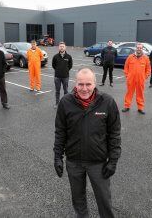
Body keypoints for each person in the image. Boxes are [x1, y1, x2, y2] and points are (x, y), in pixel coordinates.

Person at [54, 68, 121, 218]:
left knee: (104, 200)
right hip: (74, 162)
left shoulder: (107, 102)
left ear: (95, 84)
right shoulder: (65, 102)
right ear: (75, 83)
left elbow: (115, 133)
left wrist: (113, 160)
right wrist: (57, 157)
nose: (84, 88)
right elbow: (60, 132)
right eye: (81, 84)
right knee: (78, 200)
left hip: (98, 163)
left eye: (88, 84)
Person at [122, 43, 151, 114]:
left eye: (140, 48)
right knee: (129, 93)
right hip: (131, 79)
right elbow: (126, 67)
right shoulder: (130, 57)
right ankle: (127, 106)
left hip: (141, 79)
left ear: (142, 49)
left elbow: (148, 69)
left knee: (140, 94)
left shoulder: (146, 58)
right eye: (138, 48)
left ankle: (140, 108)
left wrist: (145, 77)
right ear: (136, 48)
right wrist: (127, 76)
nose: (139, 49)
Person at [52, 41, 73, 108]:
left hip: (65, 77)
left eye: (63, 46)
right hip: (57, 77)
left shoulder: (69, 57)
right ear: (59, 47)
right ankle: (57, 103)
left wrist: (65, 71)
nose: (61, 48)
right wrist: (58, 70)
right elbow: (53, 65)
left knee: (66, 91)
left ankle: (65, 104)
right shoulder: (55, 57)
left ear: (65, 47)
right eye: (60, 46)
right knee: (57, 91)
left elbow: (70, 66)